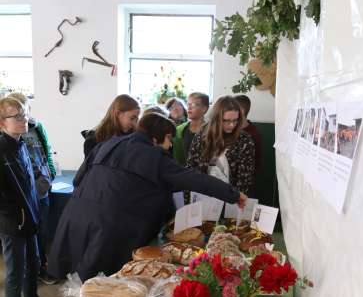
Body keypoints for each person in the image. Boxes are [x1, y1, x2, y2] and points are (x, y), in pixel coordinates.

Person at [48, 113, 246, 281]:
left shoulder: (108, 144)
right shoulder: (154, 157)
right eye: (169, 138)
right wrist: (233, 194)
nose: (169, 146)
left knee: (76, 277)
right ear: (156, 137)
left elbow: (78, 179)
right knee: (100, 287)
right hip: (110, 225)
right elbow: (193, 179)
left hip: (76, 215)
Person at [0, 96, 46, 297]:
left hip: (29, 218)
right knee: (15, 273)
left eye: (25, 114)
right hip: (13, 223)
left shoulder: (21, 144)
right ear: (1, 122)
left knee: (34, 264)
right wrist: (16, 213)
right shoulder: (1, 150)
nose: (23, 119)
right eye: (16, 116)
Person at [8, 93, 57, 285]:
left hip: (41, 187)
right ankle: (30, 270)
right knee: (26, 234)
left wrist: (50, 173)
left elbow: (47, 151)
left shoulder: (37, 127)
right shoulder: (8, 135)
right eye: (19, 113)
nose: (24, 116)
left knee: (41, 229)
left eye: (25, 110)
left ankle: (41, 266)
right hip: (23, 191)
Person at [186, 95, 255, 196]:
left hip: (231, 198)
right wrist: (188, 198)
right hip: (204, 195)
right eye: (226, 121)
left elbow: (244, 180)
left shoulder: (245, 140)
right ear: (216, 118)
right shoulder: (202, 134)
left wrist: (236, 200)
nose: (232, 125)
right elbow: (191, 168)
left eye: (235, 120)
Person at [173, 92, 209, 165]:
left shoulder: (212, 130)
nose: (189, 108)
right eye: (188, 104)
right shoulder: (179, 130)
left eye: (194, 105)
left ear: (204, 109)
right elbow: (176, 158)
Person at [234, 94, 263, 173]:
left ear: (241, 111)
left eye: (232, 108)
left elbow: (256, 164)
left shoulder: (253, 134)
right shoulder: (229, 129)